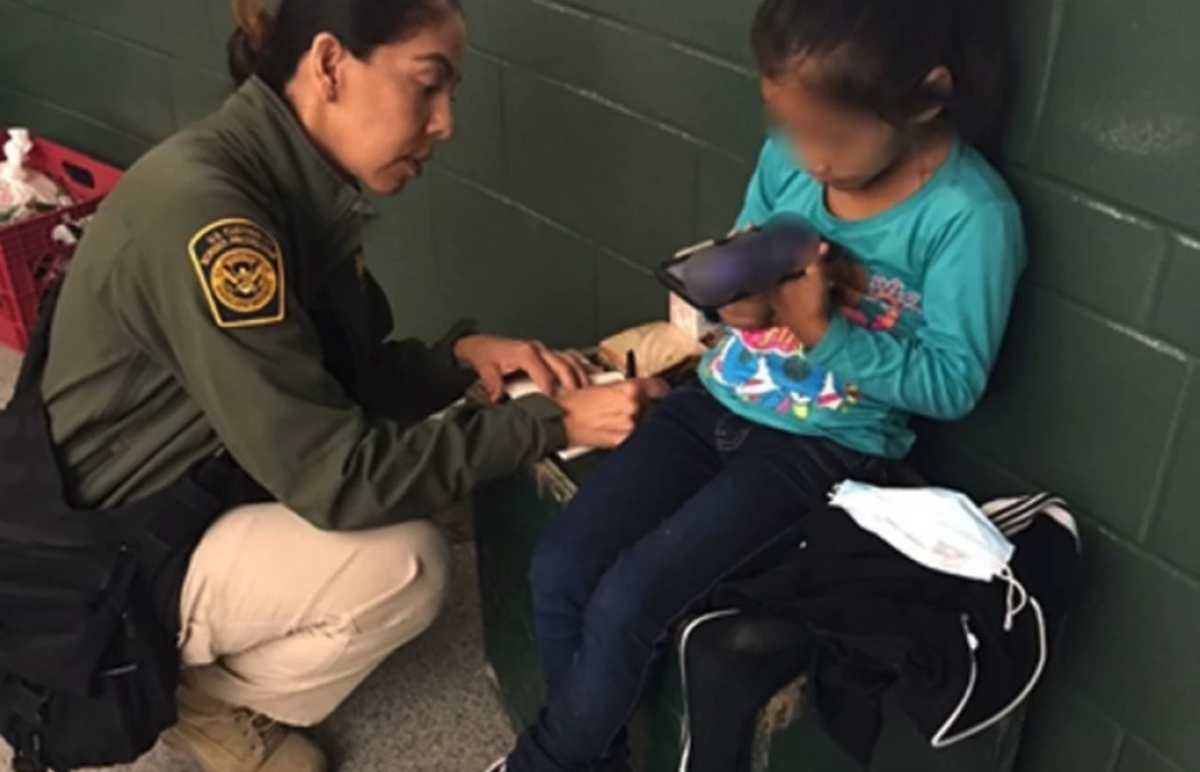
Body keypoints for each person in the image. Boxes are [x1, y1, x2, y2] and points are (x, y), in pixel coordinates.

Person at [6, 1, 667, 771]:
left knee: (451, 463)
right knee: (407, 562)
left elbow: (329, 379)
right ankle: (195, 697)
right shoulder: (215, 221)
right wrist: (554, 424)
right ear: (327, 66)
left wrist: (460, 358)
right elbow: (337, 477)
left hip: (196, 475)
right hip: (95, 559)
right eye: (428, 85)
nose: (446, 121)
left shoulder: (284, 176)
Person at [496, 0, 1026, 770]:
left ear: (927, 94)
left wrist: (824, 330)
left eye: (831, 137)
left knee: (628, 599)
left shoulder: (970, 217)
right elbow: (742, 260)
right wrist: (732, 299)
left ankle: (538, 763)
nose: (808, 158)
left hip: (822, 450)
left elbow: (953, 385)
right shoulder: (789, 158)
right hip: (711, 400)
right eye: (789, 127)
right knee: (562, 567)